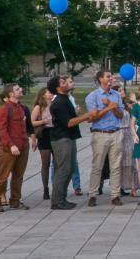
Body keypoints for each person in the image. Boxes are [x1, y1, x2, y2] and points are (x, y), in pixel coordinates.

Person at [48, 75, 100, 210]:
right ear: (58, 87)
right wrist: (87, 115)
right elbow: (69, 123)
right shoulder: (59, 102)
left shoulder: (65, 99)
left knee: (69, 169)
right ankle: (57, 201)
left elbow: (70, 118)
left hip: (68, 138)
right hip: (61, 139)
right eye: (63, 82)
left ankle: (61, 199)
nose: (66, 83)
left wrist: (79, 115)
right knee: (63, 170)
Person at [84, 70, 125, 207]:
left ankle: (115, 195)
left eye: (111, 76)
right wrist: (107, 107)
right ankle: (92, 194)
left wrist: (112, 107)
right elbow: (92, 117)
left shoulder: (116, 95)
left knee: (116, 166)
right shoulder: (92, 96)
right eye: (108, 76)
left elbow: (120, 115)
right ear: (101, 79)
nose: (111, 78)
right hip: (100, 133)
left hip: (115, 132)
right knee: (97, 165)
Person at [0, 84, 30, 212]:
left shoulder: (21, 108)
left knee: (18, 176)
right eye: (18, 89)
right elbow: (2, 130)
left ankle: (15, 200)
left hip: (23, 146)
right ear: (11, 94)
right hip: (8, 148)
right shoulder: (4, 109)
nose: (21, 90)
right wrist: (11, 145)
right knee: (3, 176)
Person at [30, 87, 54, 202]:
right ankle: (45, 188)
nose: (51, 94)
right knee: (46, 163)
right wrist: (43, 121)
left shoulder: (55, 104)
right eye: (49, 92)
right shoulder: (39, 107)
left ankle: (57, 187)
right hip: (44, 134)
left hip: (55, 133)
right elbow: (31, 123)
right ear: (43, 95)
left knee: (59, 163)